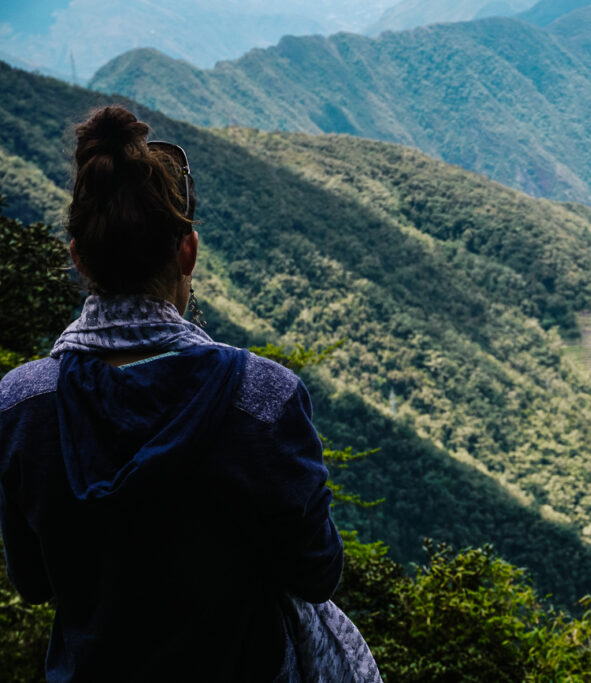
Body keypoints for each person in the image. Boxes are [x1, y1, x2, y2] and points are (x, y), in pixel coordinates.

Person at [0, 106, 379, 681]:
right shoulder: (264, 399)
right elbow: (317, 573)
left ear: (77, 257)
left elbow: (32, 580)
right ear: (188, 252)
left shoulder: (22, 405)